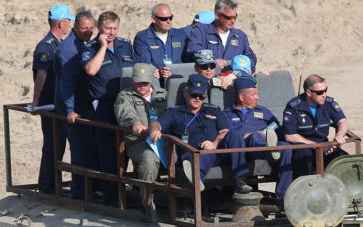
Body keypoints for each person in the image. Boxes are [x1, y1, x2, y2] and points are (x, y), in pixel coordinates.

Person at [149, 74, 251, 193]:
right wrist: (154, 130)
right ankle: (196, 185)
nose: (197, 98)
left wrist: (214, 143)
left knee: (235, 134)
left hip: (217, 152)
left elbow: (225, 131)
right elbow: (156, 124)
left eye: (201, 96)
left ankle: (240, 179)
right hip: (193, 154)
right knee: (201, 157)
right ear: (185, 93)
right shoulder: (175, 112)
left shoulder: (213, 110)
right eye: (194, 95)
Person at [82, 11, 134, 205]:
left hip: (127, 103)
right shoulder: (91, 47)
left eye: (114, 28)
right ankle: (112, 199)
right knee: (108, 153)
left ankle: (125, 193)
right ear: (99, 28)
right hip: (105, 105)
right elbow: (91, 70)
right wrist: (103, 46)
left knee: (128, 149)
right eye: (107, 29)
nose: (111, 32)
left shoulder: (125, 45)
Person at [223, 75, 293, 199]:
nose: (257, 97)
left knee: (286, 147)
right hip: (243, 150)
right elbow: (225, 137)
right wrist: (247, 135)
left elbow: (278, 129)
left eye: (257, 94)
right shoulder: (226, 115)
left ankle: (283, 196)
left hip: (265, 148)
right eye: (253, 95)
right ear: (241, 97)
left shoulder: (264, 111)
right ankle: (269, 148)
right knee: (255, 136)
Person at [30, 4, 74, 194]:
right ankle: (48, 186)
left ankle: (52, 184)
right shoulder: (46, 46)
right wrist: (35, 102)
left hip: (56, 103)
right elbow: (41, 76)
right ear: (61, 23)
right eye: (68, 21)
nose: (70, 25)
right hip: (49, 104)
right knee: (52, 145)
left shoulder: (58, 44)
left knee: (58, 144)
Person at [55, 10, 96, 199]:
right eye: (84, 28)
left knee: (91, 149)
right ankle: (78, 195)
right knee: (80, 151)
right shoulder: (69, 48)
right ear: (75, 27)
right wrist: (70, 110)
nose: (88, 31)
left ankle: (91, 190)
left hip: (86, 104)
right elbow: (67, 83)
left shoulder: (86, 44)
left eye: (91, 28)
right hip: (74, 107)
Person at [114, 63, 168, 206]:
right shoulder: (125, 95)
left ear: (151, 79)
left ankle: (186, 201)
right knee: (149, 160)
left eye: (145, 81)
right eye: (138, 81)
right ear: (132, 79)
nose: (142, 85)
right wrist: (135, 123)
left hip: (164, 141)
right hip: (139, 142)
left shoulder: (162, 93)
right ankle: (149, 205)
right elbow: (125, 113)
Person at [282, 74, 349, 178]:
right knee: (302, 153)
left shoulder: (328, 103)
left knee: (344, 160)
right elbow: (290, 135)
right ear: (308, 92)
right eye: (320, 92)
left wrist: (339, 135)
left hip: (324, 148)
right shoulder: (294, 106)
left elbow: (342, 121)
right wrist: (318, 147)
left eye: (325, 90)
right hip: (303, 150)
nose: (324, 95)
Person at [186, 0, 257, 72]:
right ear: (217, 16)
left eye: (235, 17)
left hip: (232, 80)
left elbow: (251, 58)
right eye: (229, 17)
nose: (233, 21)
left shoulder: (240, 36)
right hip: (208, 79)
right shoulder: (201, 31)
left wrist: (245, 70)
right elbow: (193, 50)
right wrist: (211, 60)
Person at [133, 4, 190, 82]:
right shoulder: (142, 38)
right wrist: (160, 71)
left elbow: (188, 61)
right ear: (153, 19)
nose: (168, 21)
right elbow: (145, 63)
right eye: (164, 19)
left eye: (170, 18)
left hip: (178, 81)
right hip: (155, 82)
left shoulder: (180, 35)